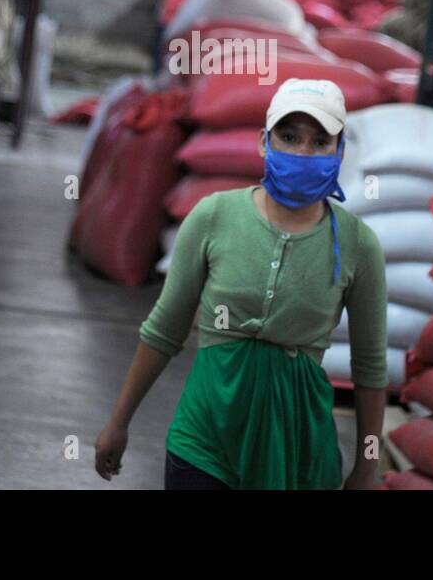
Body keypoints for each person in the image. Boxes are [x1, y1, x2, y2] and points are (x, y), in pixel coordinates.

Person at [94, 77, 389, 490]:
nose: (303, 152)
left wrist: (366, 465)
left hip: (296, 448)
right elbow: (165, 328)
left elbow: (371, 368)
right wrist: (118, 422)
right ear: (263, 143)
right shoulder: (215, 216)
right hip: (204, 440)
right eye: (289, 137)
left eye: (320, 141)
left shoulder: (358, 245)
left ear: (340, 152)